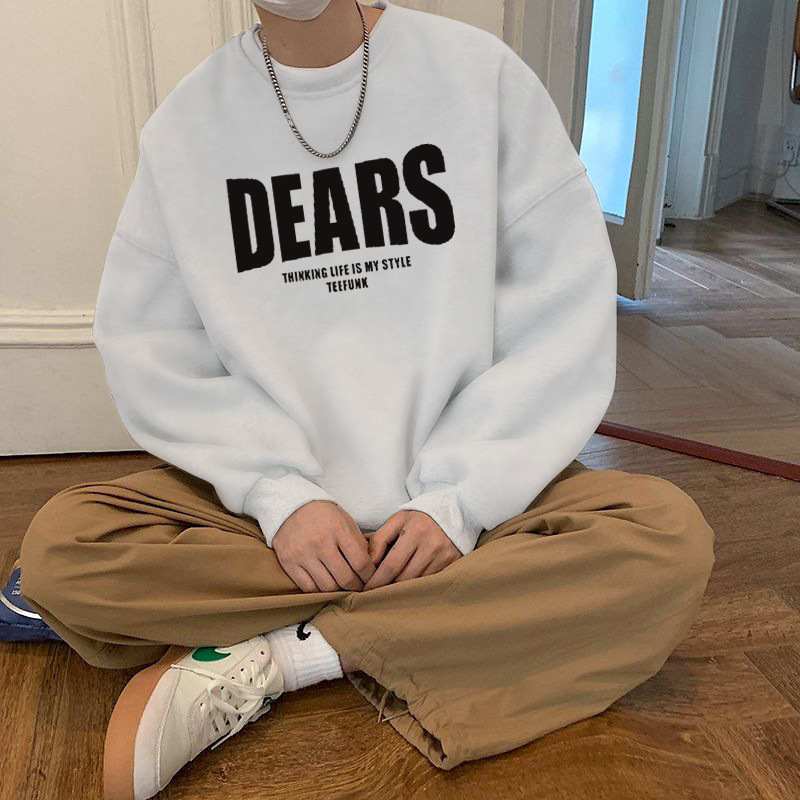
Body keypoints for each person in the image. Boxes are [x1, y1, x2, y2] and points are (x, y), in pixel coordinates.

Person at [17, 1, 716, 798]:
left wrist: (459, 501)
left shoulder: (478, 76)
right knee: (65, 548)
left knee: (665, 540)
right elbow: (153, 347)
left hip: (472, 510)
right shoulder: (186, 126)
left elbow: (562, 316)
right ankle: (445, 622)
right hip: (270, 528)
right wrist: (279, 496)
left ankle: (283, 655)